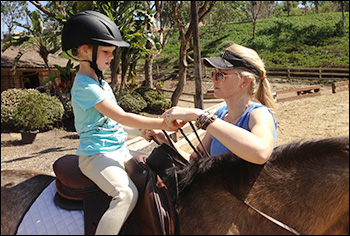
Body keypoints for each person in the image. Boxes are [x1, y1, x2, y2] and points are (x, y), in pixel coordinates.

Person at [61, 11, 184, 235]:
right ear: (86, 50)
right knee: (125, 195)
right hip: (95, 155)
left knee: (158, 173)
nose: (111, 57)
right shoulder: (84, 87)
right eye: (106, 51)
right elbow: (121, 116)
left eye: (112, 52)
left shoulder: (102, 85)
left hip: (118, 150)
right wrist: (163, 122)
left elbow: (114, 124)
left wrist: (142, 131)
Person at [144, 43, 277, 165]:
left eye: (221, 75)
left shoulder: (260, 114)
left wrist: (200, 115)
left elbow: (261, 153)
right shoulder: (220, 115)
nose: (213, 79)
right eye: (214, 73)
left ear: (245, 81)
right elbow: (195, 161)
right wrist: (164, 140)